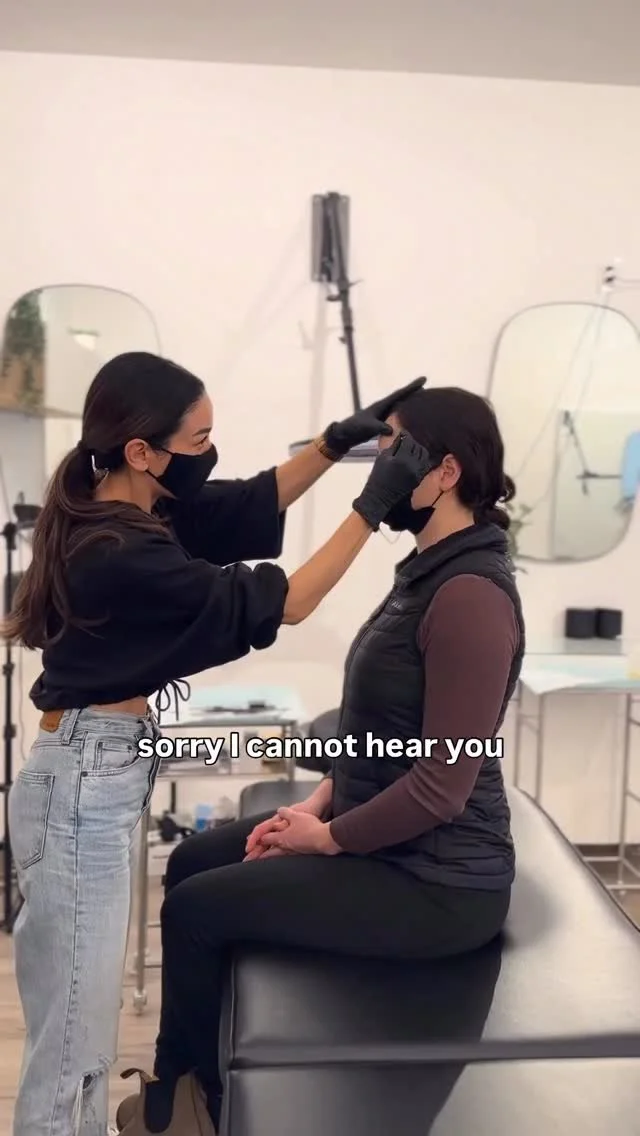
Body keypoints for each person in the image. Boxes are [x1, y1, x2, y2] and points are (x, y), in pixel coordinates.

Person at [4, 350, 430, 1136]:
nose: (210, 453)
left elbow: (246, 502)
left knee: (82, 1037)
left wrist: (333, 443)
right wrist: (371, 507)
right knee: (70, 1050)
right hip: (81, 784)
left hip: (94, 771)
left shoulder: (124, 504)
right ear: (142, 450)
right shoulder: (121, 550)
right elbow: (287, 603)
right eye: (198, 440)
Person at [117, 385, 525, 1136]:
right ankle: (200, 1084)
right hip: (386, 844)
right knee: (193, 862)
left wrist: (328, 839)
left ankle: (183, 1110)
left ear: (445, 472)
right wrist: (316, 803)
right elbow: (382, 729)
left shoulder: (471, 595)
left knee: (195, 909)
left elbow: (442, 784)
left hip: (438, 883)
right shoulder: (425, 573)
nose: (383, 467)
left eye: (397, 451)